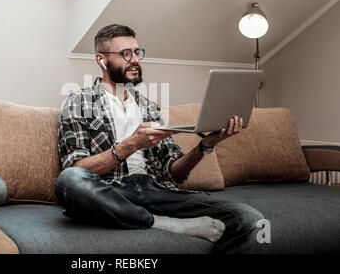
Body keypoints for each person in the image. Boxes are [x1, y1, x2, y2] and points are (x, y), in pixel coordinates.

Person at [55, 24, 264, 253]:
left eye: (137, 52)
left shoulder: (148, 107)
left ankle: (143, 216)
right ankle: (162, 223)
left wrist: (205, 146)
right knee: (70, 180)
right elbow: (78, 169)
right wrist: (132, 144)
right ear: (102, 60)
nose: (135, 59)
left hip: (155, 191)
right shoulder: (79, 102)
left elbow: (173, 174)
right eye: (126, 54)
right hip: (110, 192)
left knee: (250, 220)